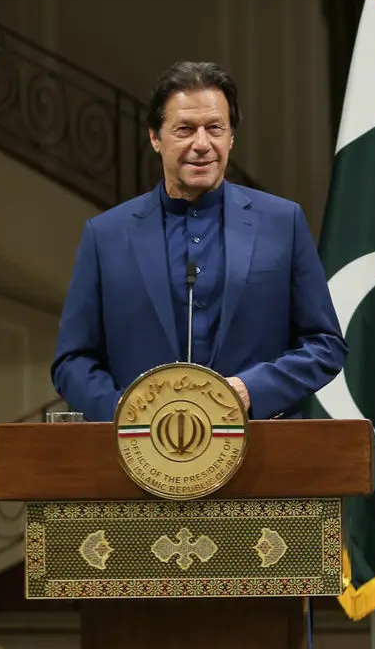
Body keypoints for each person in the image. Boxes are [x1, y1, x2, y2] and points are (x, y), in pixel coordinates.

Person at [51, 60, 347, 420]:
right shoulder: (105, 236)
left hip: (262, 442)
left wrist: (250, 390)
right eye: (185, 130)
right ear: (155, 137)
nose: (202, 144)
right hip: (141, 447)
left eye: (215, 128)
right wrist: (126, 412)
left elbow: (325, 344)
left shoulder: (283, 223)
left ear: (231, 137)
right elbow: (72, 361)